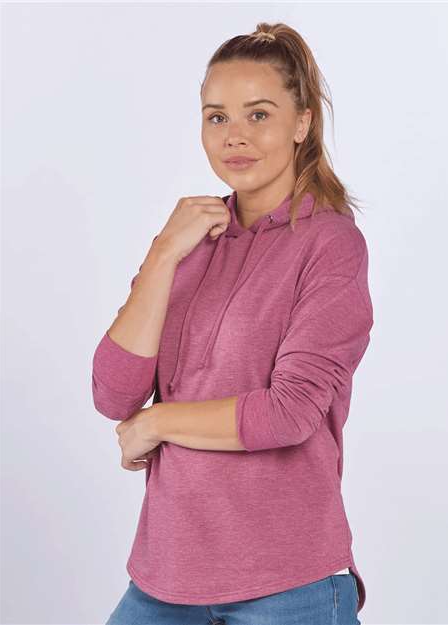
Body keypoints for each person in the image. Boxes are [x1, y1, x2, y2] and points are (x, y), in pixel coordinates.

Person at [92, 21, 373, 625]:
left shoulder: (331, 246)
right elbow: (114, 393)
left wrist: (156, 423)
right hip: (165, 576)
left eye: (259, 114)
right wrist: (163, 254)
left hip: (288, 583)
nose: (234, 136)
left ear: (302, 124)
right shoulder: (188, 238)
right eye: (216, 117)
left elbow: (289, 413)